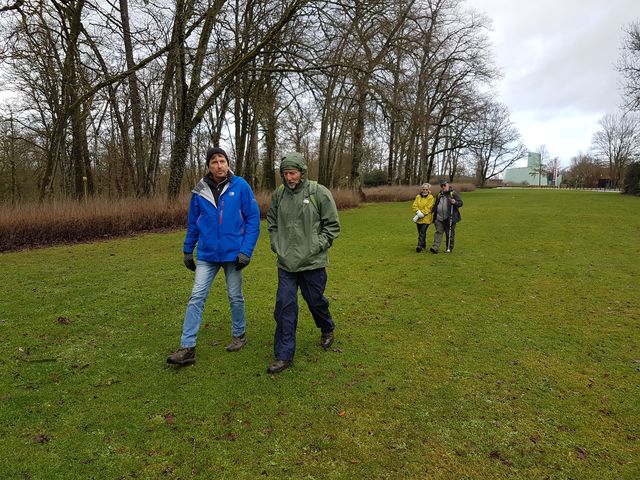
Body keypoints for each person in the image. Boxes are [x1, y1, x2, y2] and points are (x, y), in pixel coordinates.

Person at [167, 147, 260, 365]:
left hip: (233, 254)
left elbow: (253, 220)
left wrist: (246, 251)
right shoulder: (199, 190)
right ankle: (187, 347)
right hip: (207, 255)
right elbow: (193, 222)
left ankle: (239, 335)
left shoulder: (241, 186)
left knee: (235, 296)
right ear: (208, 166)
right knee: (196, 296)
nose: (219, 165)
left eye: (222, 161)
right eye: (214, 162)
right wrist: (188, 249)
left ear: (228, 163)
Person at [266, 152, 341, 374]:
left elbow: (332, 226)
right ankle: (284, 354)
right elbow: (272, 221)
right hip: (286, 263)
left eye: (293, 173)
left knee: (315, 301)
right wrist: (276, 243)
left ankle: (327, 327)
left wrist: (316, 245)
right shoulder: (279, 195)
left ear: (303, 172)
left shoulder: (319, 193)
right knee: (285, 306)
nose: (289, 177)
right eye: (285, 173)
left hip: (313, 263)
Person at [430, 179, 463, 254]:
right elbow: (436, 205)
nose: (443, 187)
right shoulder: (439, 194)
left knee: (449, 234)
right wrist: (431, 211)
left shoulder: (453, 193)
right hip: (439, 217)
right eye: (441, 185)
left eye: (444, 185)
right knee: (438, 232)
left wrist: (455, 202)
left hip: (449, 218)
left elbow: (460, 203)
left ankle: (449, 248)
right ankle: (435, 247)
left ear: (448, 185)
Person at [411, 183, 435, 252]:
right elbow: (414, 205)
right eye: (423, 189)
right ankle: (423, 244)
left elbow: (429, 208)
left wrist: (422, 213)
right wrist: (418, 212)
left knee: (422, 232)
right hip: (419, 218)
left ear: (428, 190)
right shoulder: (418, 196)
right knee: (420, 232)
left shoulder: (430, 197)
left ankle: (419, 246)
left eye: (426, 189)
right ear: (421, 189)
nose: (425, 190)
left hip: (426, 218)